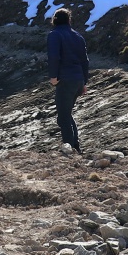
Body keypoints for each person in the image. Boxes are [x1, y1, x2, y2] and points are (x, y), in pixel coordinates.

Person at [46, 8, 89, 153]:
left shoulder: (54, 35)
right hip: (78, 79)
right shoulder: (78, 36)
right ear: (69, 20)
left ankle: (70, 148)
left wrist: (53, 76)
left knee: (63, 117)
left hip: (65, 79)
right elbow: (85, 61)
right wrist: (84, 83)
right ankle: (75, 145)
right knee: (66, 113)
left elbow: (54, 57)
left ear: (54, 20)